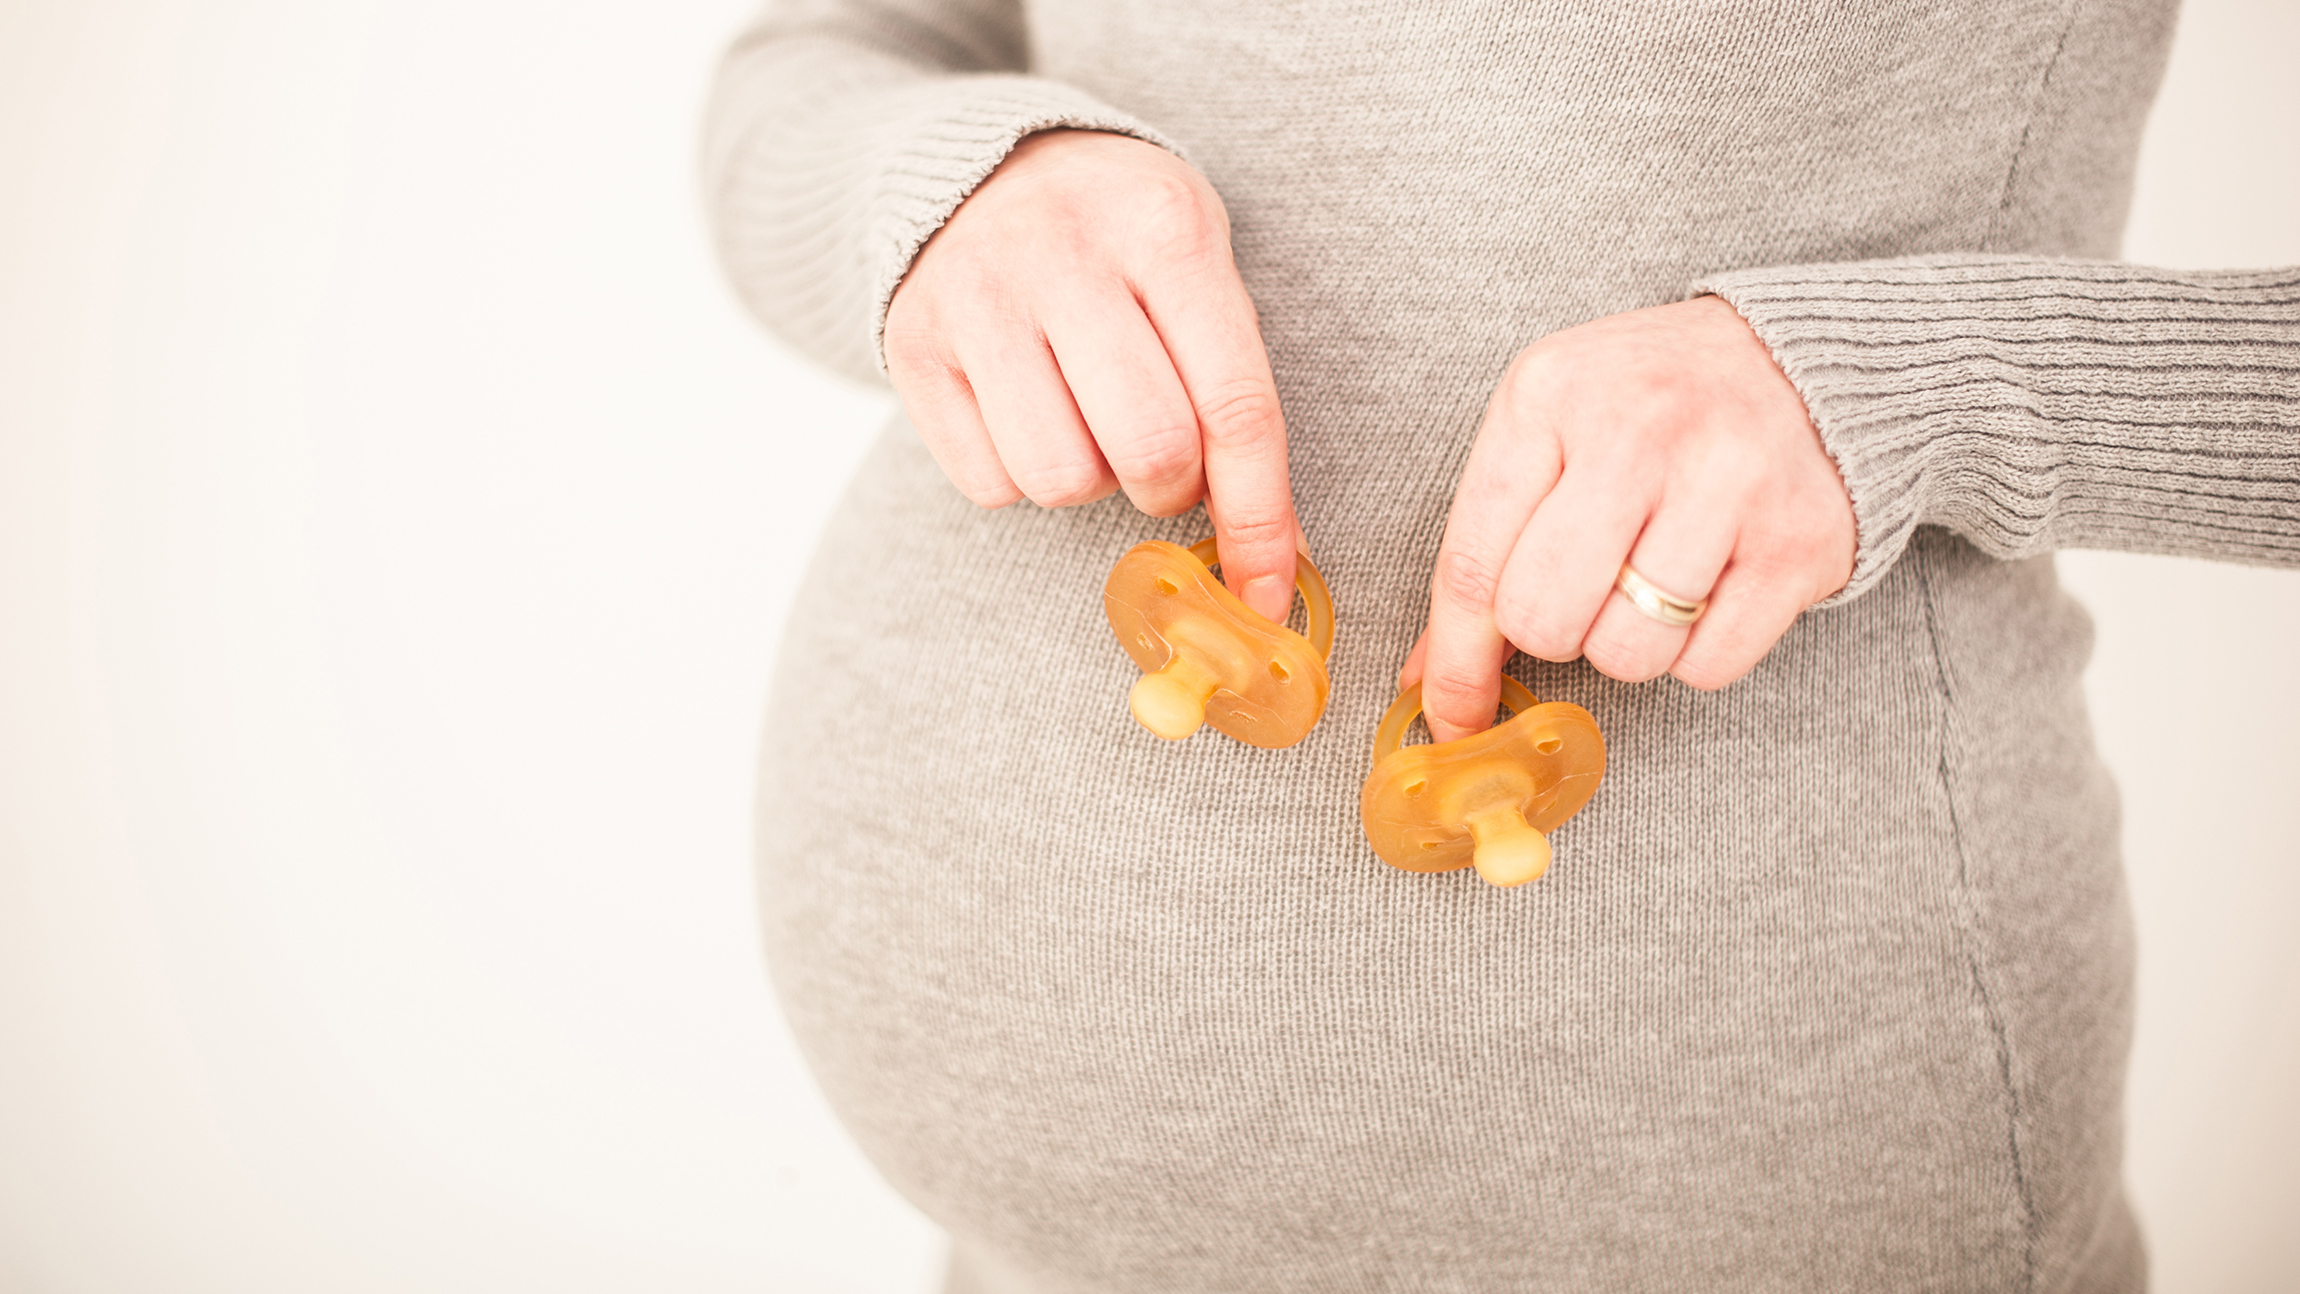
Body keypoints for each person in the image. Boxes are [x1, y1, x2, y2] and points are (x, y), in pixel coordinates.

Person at [702, 2, 2299, 1289]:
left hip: (1743, 1167)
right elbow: (819, 61)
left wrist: (1910, 383)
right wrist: (950, 190)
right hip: (1023, 1220)